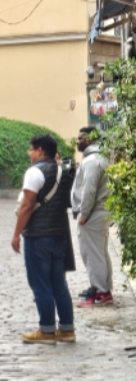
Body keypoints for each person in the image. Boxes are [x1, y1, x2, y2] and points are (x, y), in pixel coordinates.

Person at [12, 134, 76, 344]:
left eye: (31, 150)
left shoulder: (34, 172)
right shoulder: (62, 172)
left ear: (40, 151)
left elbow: (28, 205)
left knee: (40, 283)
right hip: (59, 234)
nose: (29, 153)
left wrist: (16, 234)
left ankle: (47, 330)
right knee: (58, 283)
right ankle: (66, 328)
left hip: (38, 235)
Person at [73, 126, 113, 307]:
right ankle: (104, 288)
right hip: (101, 211)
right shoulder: (101, 158)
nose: (77, 141)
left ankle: (100, 291)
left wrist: (84, 214)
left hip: (93, 213)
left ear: (90, 140)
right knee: (101, 252)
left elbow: (89, 189)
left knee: (93, 254)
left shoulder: (91, 161)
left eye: (80, 138)